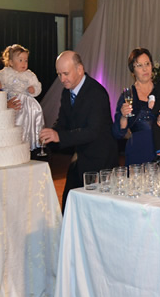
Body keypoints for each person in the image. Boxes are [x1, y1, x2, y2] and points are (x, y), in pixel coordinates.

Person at [40, 51, 118, 212]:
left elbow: (93, 131)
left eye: (66, 73)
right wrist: (50, 134)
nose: (62, 79)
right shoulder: (66, 91)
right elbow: (63, 122)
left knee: (94, 209)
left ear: (80, 69)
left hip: (100, 161)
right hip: (81, 157)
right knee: (69, 204)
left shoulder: (97, 93)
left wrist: (59, 136)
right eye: (59, 74)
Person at [113, 48, 160, 165]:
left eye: (147, 64)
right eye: (139, 65)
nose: (145, 69)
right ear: (133, 71)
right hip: (139, 152)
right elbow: (118, 133)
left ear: (152, 65)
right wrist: (123, 116)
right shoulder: (128, 96)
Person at [0, 44, 45, 152]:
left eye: (26, 60)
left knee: (29, 121)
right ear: (11, 62)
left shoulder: (29, 75)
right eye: (20, 60)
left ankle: (31, 142)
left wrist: (33, 89)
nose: (24, 63)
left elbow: (37, 86)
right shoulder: (6, 72)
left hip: (27, 103)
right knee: (15, 122)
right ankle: (14, 143)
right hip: (13, 101)